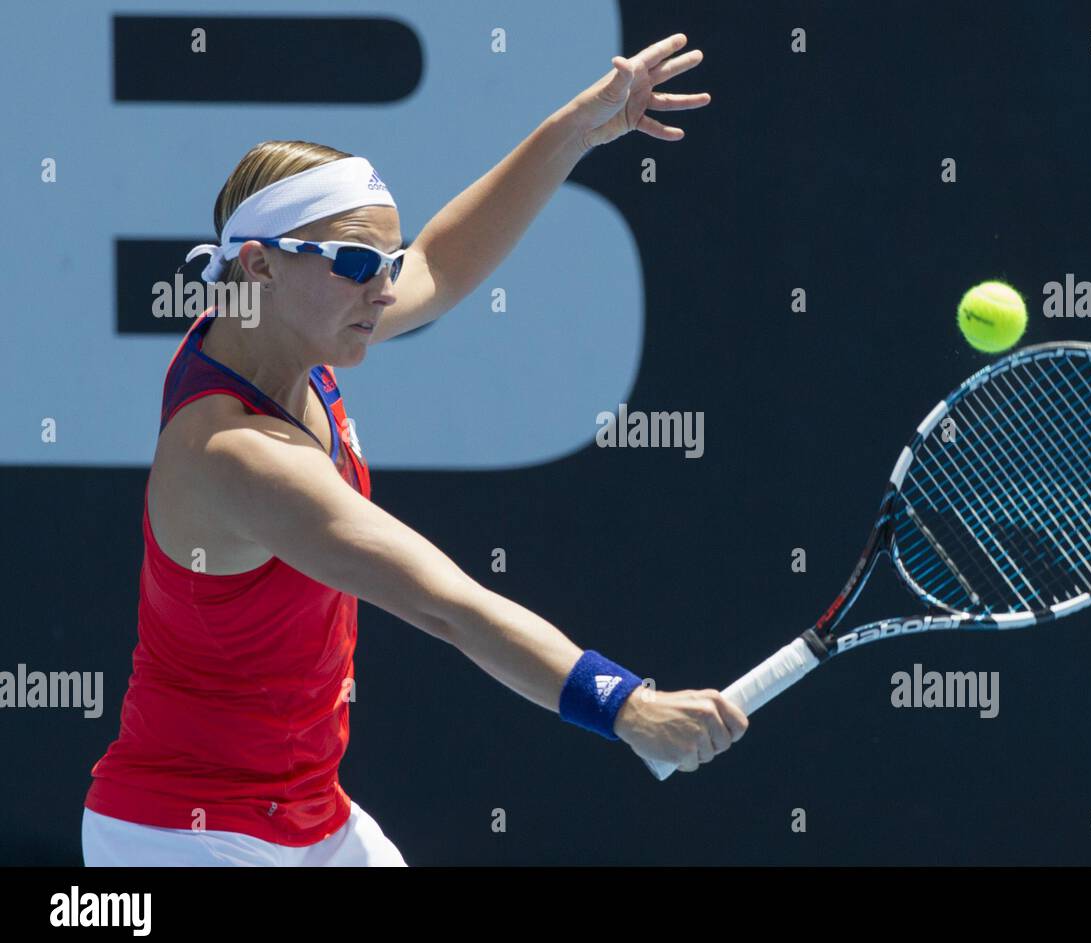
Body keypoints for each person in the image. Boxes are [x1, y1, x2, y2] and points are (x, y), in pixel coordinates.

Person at [83, 33, 745, 867]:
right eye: (359, 262)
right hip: (179, 836)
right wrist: (626, 706)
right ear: (257, 265)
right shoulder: (234, 454)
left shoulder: (274, 326)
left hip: (312, 819)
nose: (385, 287)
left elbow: (439, 264)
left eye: (383, 261)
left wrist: (580, 127)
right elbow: (446, 604)